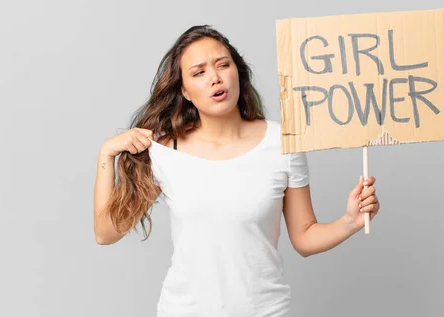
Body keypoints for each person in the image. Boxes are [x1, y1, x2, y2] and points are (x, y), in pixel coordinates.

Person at [93, 25, 380, 317]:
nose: (215, 78)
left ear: (237, 72)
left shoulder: (283, 143)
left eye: (223, 65)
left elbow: (304, 238)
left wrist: (349, 221)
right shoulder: (167, 151)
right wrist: (106, 154)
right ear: (185, 91)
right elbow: (106, 233)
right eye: (199, 72)